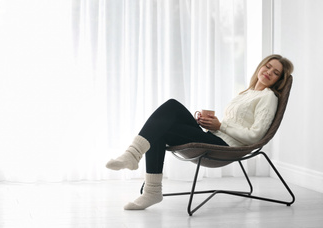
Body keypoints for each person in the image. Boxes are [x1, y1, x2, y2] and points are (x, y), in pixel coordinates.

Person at [106, 54, 294, 210]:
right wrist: (209, 124)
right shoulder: (247, 92)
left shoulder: (268, 97)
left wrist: (220, 126)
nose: (269, 72)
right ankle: (151, 191)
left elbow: (255, 136)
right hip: (214, 136)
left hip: (225, 146)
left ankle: (134, 158)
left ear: (279, 80)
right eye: (268, 67)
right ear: (261, 66)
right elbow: (229, 125)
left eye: (275, 72)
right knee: (164, 120)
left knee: (170, 109)